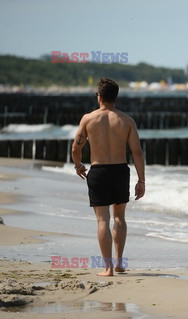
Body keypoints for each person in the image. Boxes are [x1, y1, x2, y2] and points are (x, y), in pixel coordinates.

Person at [72, 77, 145, 277]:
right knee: (119, 217)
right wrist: (141, 180)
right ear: (115, 97)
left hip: (98, 172)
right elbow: (137, 152)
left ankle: (108, 268)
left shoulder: (88, 119)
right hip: (120, 171)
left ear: (100, 97)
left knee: (102, 221)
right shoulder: (127, 121)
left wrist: (78, 166)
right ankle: (120, 263)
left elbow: (76, 147)